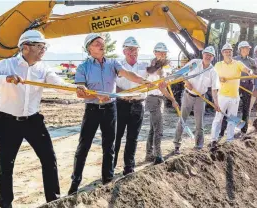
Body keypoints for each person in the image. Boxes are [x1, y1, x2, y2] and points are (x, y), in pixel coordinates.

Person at [0, 30, 69, 207]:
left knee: (49, 159)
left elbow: (59, 85)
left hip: (34, 121)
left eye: (44, 47)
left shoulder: (43, 68)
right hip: (8, 122)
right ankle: (5, 204)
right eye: (40, 46)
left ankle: (54, 200)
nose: (43, 50)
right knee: (6, 166)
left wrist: (77, 90)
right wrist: (4, 79)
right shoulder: (6, 65)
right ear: (25, 47)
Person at [68, 33, 151, 194]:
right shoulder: (83, 67)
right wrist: (95, 94)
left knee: (109, 146)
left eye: (103, 43)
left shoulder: (113, 63)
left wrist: (143, 81)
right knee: (83, 147)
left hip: (110, 109)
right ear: (89, 48)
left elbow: (128, 74)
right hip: (92, 110)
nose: (102, 45)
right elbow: (80, 92)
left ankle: (107, 179)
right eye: (98, 43)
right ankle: (75, 182)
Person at [173, 46, 220, 154]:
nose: (208, 56)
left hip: (201, 98)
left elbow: (214, 90)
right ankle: (176, 145)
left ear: (213, 57)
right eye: (206, 54)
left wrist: (216, 103)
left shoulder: (213, 72)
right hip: (188, 95)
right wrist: (186, 82)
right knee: (182, 119)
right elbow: (181, 73)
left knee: (199, 123)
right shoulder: (194, 63)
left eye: (210, 55)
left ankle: (198, 146)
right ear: (203, 54)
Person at [114, 37, 148, 175]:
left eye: (135, 49)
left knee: (132, 138)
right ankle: (111, 166)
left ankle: (129, 167)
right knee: (116, 136)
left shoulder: (145, 66)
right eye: (130, 49)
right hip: (121, 104)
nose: (133, 52)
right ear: (124, 51)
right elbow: (112, 85)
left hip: (138, 105)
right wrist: (122, 93)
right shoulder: (117, 66)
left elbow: (157, 76)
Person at [210, 43, 253, 146]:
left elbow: (246, 69)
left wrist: (250, 72)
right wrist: (219, 79)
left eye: (229, 52)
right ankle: (213, 139)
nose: (228, 53)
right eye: (226, 52)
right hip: (222, 96)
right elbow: (213, 78)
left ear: (232, 53)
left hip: (234, 97)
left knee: (232, 119)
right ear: (222, 53)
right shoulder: (218, 65)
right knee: (218, 118)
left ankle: (229, 140)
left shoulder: (238, 64)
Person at [145, 42, 179, 164]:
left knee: (153, 128)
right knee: (158, 128)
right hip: (153, 98)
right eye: (160, 52)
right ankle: (158, 156)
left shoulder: (163, 67)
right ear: (155, 52)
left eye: (164, 53)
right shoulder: (152, 66)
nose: (163, 54)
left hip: (159, 99)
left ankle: (149, 153)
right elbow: (162, 88)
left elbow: (166, 82)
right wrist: (173, 99)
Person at [219, 41, 257, 137]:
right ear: (240, 49)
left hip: (248, 86)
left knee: (246, 108)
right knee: (230, 108)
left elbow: (256, 75)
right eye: (245, 48)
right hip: (236, 85)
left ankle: (243, 131)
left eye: (248, 48)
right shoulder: (235, 60)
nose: (247, 50)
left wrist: (256, 88)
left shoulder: (252, 61)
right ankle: (222, 130)